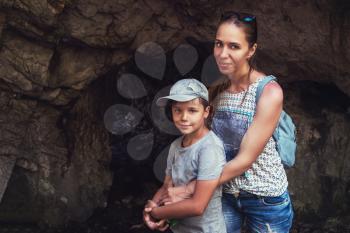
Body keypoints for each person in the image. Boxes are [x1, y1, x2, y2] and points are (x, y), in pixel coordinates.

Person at [159, 11, 294, 233]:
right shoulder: (215, 91)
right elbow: (199, 145)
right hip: (223, 193)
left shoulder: (269, 92)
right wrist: (169, 203)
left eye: (234, 46)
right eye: (218, 44)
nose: (222, 53)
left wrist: (188, 190)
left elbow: (244, 160)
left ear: (251, 50)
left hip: (265, 200)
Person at [143, 78, 227, 233]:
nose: (183, 117)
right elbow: (167, 186)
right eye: (178, 110)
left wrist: (158, 213)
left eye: (192, 110)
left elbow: (198, 206)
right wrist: (151, 206)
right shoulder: (176, 146)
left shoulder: (210, 148)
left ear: (206, 112)